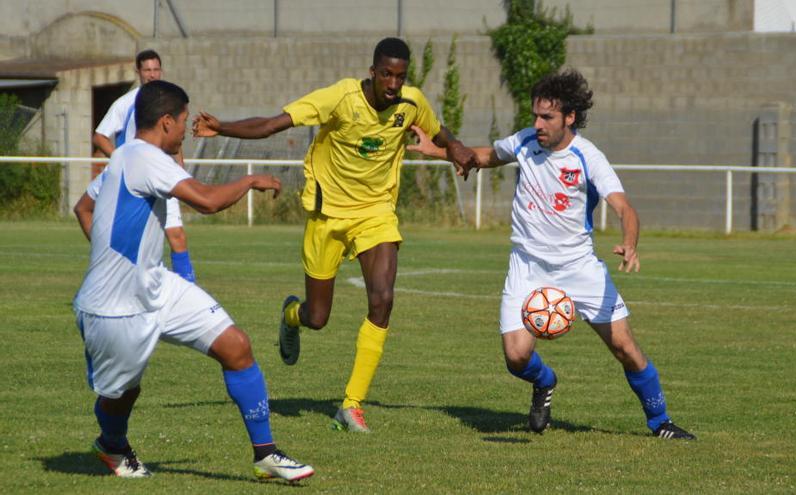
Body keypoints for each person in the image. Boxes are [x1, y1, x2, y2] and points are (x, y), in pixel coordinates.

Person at [192, 37, 475, 433]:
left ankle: (351, 405)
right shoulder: (339, 98)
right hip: (328, 217)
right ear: (373, 72)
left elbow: (438, 130)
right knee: (318, 317)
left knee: (383, 299)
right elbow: (274, 124)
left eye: (400, 76)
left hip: (376, 215)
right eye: (387, 75)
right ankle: (293, 315)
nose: (394, 84)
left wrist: (457, 147)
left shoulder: (411, 102)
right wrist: (222, 127)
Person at [408, 69, 696, 440]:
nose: (538, 124)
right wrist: (442, 151)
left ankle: (661, 423)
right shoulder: (525, 142)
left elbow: (625, 208)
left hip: (579, 267)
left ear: (570, 117)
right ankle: (545, 383)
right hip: (527, 266)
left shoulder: (588, 157)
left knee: (626, 348)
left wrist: (630, 242)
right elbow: (484, 156)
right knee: (515, 357)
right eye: (535, 116)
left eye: (547, 117)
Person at [73, 80, 315, 482]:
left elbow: (84, 207)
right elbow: (207, 201)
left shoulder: (127, 156)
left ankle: (266, 455)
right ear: (166, 121)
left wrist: (118, 257)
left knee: (236, 345)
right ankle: (111, 443)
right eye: (183, 120)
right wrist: (251, 180)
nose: (186, 128)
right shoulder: (145, 156)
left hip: (157, 285)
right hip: (115, 309)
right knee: (122, 393)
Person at [81, 48, 195, 282]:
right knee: (88, 212)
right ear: (138, 72)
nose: (152, 75)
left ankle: (188, 288)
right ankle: (109, 263)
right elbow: (100, 136)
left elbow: (174, 138)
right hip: (130, 179)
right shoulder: (126, 103)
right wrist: (121, 158)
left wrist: (180, 168)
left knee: (177, 236)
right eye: (147, 70)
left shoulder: (168, 101)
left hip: (161, 176)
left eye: (156, 69)